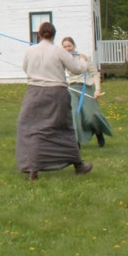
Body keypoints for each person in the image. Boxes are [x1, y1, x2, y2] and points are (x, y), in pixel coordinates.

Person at [16, 22, 93, 180]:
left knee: (33, 129)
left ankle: (33, 170)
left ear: (39, 34)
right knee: (63, 129)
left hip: (34, 93)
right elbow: (77, 68)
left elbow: (25, 68)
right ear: (54, 35)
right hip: (56, 93)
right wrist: (84, 61)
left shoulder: (30, 50)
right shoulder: (59, 50)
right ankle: (78, 166)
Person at [62, 36, 112, 148]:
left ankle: (99, 133)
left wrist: (98, 90)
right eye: (64, 47)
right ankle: (77, 141)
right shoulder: (64, 60)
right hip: (73, 89)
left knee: (92, 115)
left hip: (86, 88)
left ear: (73, 45)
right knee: (75, 115)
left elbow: (95, 74)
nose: (67, 48)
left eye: (69, 46)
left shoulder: (83, 57)